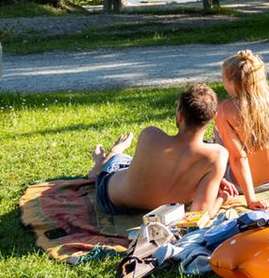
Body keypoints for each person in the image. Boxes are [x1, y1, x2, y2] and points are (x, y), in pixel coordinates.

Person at [86, 83, 231, 216]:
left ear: (180, 115)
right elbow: (200, 215)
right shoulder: (217, 157)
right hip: (163, 212)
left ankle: (106, 159)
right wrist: (222, 198)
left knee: (121, 161)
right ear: (213, 116)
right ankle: (105, 160)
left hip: (113, 201)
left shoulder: (150, 136)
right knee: (121, 162)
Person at [215, 50, 269, 210]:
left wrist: (250, 199)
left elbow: (238, 158)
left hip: (246, 185)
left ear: (233, 82)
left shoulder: (225, 110)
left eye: (223, 78)